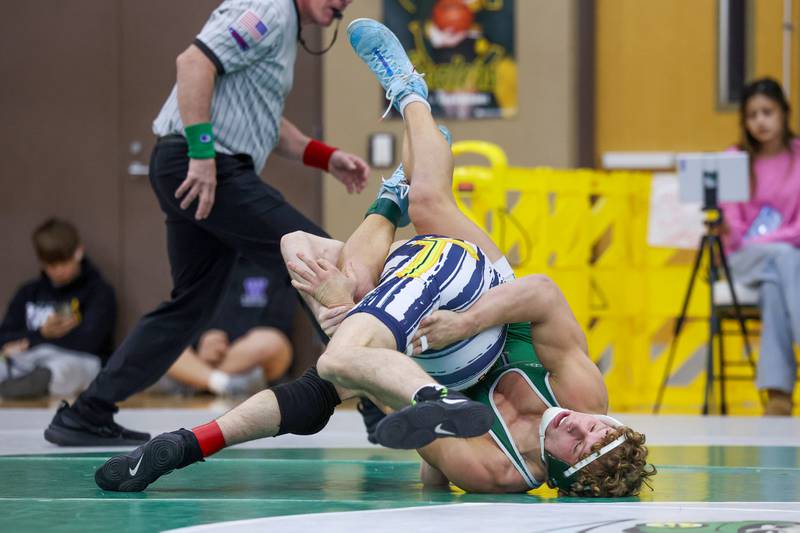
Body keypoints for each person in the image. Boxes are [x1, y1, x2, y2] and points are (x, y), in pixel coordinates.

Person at [94, 19, 654, 497]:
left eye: (579, 442)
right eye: (598, 427)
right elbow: (543, 295)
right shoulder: (583, 394)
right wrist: (466, 321)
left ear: (557, 471)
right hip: (475, 298)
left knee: (303, 256)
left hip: (421, 355)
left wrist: (362, 352)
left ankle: (184, 444)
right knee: (429, 210)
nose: (580, 423)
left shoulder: (494, 468)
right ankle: (408, 93)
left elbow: (421, 438)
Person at [43, 0, 367, 446]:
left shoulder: (283, 26)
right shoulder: (268, 10)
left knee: (188, 306)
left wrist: (327, 158)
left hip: (200, 164)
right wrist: (200, 154)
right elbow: (193, 62)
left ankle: (86, 413)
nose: (345, 1)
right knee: (322, 259)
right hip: (206, 164)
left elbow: (265, 121)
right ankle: (375, 400)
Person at [720, 77, 800, 416]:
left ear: (784, 113)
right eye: (752, 115)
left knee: (774, 284)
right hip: (744, 257)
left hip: (787, 261)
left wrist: (774, 240)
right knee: (784, 259)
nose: (760, 121)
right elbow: (734, 230)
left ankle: (778, 395)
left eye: (767, 112)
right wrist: (772, 242)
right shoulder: (735, 159)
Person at [0, 218, 116, 399]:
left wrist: (37, 339)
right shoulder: (28, 292)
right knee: (6, 362)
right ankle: (19, 385)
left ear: (79, 252)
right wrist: (42, 334)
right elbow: (4, 337)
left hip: (75, 361)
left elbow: (90, 342)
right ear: (42, 262)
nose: (60, 270)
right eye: (52, 265)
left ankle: (31, 385)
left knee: (66, 368)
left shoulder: (99, 292)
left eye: (65, 262)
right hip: (29, 359)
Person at [154, 254, 295, 397]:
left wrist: (228, 349)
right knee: (157, 337)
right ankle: (221, 383)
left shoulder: (274, 264)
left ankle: (197, 380)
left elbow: (278, 324)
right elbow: (183, 317)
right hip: (201, 354)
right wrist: (201, 340)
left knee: (272, 341)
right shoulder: (201, 265)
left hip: (251, 360)